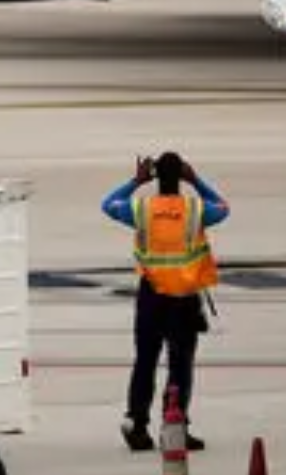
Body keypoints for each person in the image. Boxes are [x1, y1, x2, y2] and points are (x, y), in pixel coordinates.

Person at [101, 151, 228, 453]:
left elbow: (107, 205)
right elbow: (223, 207)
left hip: (151, 297)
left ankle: (137, 424)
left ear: (156, 177)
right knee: (180, 366)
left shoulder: (141, 209)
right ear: (181, 176)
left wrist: (135, 181)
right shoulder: (195, 210)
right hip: (182, 301)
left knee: (145, 361)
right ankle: (175, 427)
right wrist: (197, 181)